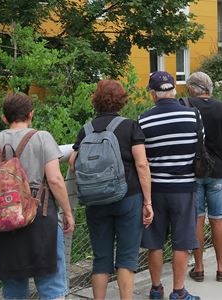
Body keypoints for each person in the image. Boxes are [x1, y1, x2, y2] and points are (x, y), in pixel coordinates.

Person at [0, 92, 75, 300]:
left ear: (4, 118)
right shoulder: (42, 137)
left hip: (4, 220)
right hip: (40, 216)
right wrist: (67, 212)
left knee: (13, 284)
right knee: (51, 282)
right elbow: (56, 179)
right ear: (31, 114)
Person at [69, 80, 153, 300]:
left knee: (101, 258)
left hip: (95, 200)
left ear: (96, 101)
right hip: (128, 197)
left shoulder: (86, 129)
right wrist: (148, 202)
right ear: (122, 101)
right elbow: (142, 164)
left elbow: (73, 163)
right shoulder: (130, 126)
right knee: (126, 257)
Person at [139, 71, 201, 300]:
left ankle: (156, 289)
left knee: (154, 243)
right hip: (184, 188)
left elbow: (141, 157)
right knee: (181, 242)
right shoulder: (193, 116)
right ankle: (178, 292)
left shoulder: (143, 120)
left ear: (153, 95)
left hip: (155, 189)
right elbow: (198, 148)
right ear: (174, 91)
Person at [185, 72, 222, 282]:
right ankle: (221, 267)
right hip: (217, 173)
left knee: (197, 219)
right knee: (218, 219)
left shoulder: (185, 107)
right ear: (210, 88)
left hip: (192, 171)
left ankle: (198, 268)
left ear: (191, 88)